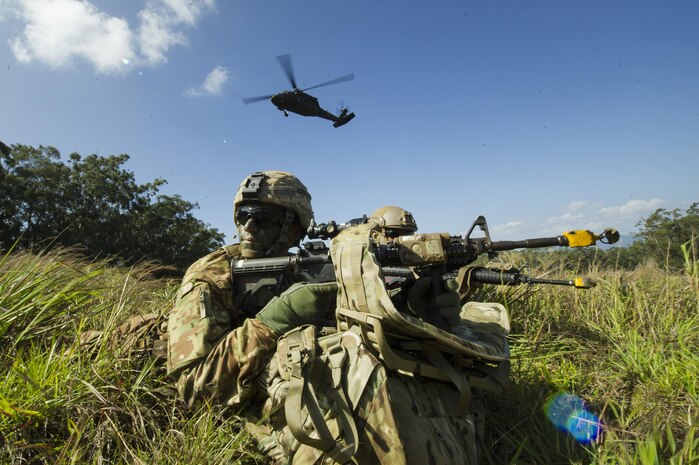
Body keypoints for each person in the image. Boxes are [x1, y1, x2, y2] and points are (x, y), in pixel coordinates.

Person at [166, 170, 335, 408]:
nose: (249, 227)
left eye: (263, 218)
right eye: (242, 216)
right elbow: (193, 388)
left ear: (294, 230)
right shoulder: (212, 276)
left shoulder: (303, 270)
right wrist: (275, 320)